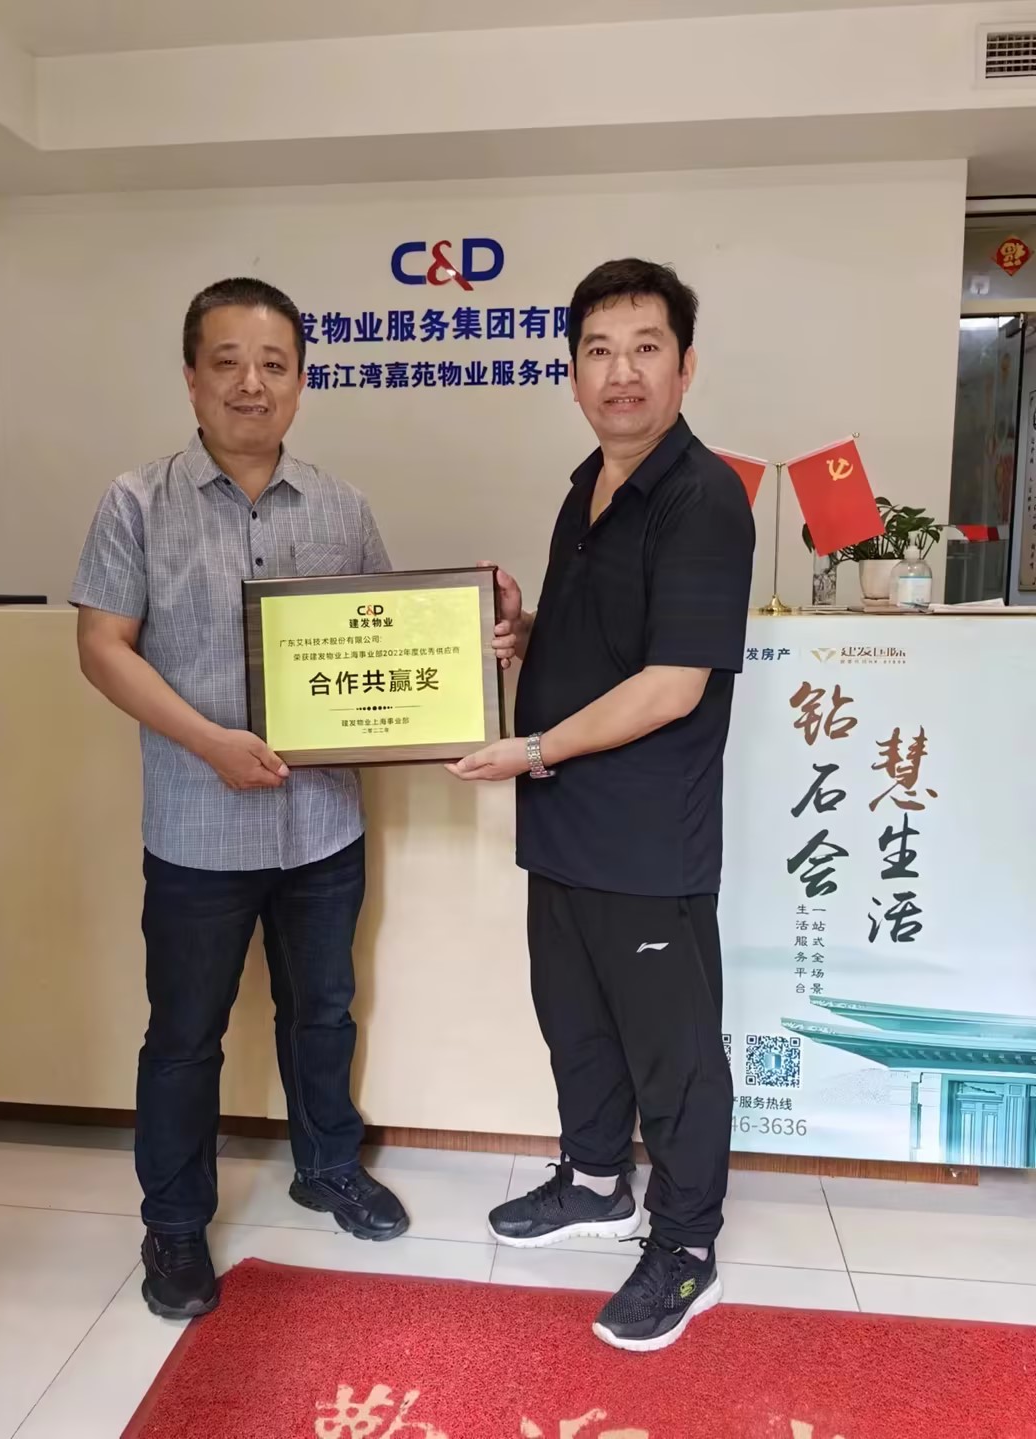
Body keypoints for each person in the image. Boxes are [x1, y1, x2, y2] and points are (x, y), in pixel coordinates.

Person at [71, 277, 407, 1321]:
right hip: (196, 830)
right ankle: (174, 1223)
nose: (250, 383)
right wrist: (208, 742)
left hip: (322, 827)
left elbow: (394, 641)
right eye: (226, 362)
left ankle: (328, 1166)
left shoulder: (344, 507)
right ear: (191, 377)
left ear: (300, 382)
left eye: (273, 364)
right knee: (184, 1035)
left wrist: (475, 638)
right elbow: (101, 646)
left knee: (323, 1011)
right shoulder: (136, 501)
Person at [448, 258, 754, 1352]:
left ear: (685, 365)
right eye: (599, 350)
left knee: (673, 1053)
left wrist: (532, 746)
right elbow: (611, 644)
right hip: (564, 822)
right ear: (573, 370)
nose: (622, 372)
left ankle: (686, 1243)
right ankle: (593, 1182)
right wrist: (524, 632)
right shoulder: (587, 485)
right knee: (575, 1022)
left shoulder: (704, 496)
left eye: (646, 348)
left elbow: (673, 683)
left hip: (645, 837)